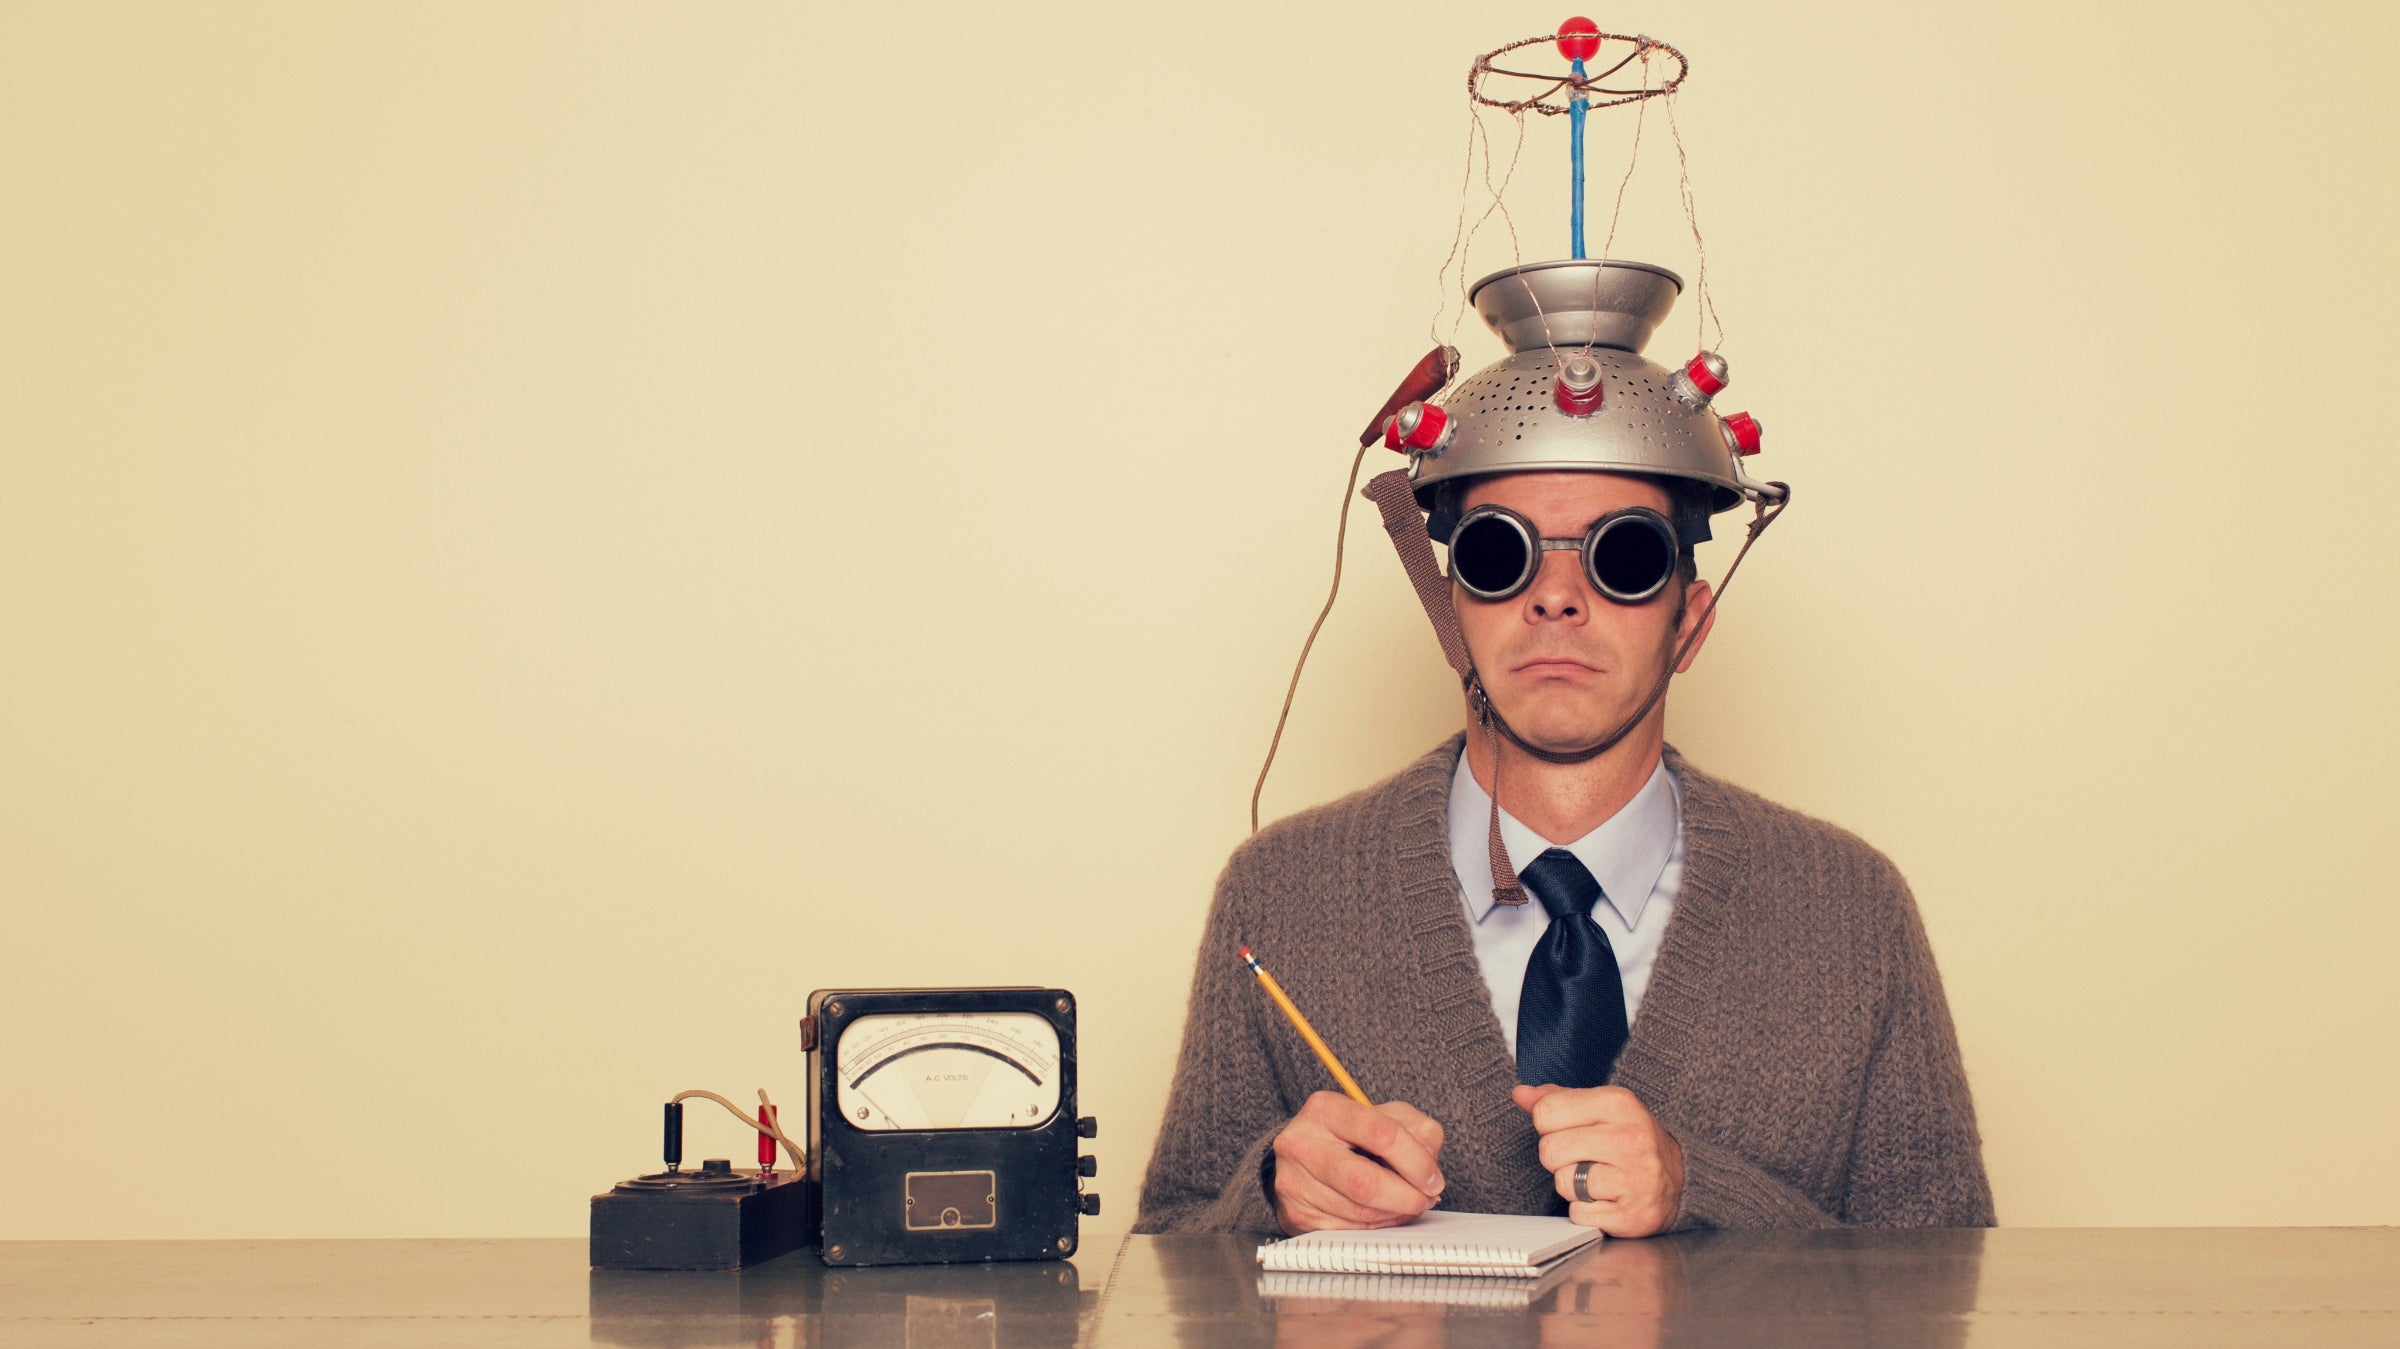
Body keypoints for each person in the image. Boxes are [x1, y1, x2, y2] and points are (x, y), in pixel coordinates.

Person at [1132, 263, 1995, 1237]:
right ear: (1450, 601)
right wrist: (1270, 1200)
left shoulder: (1848, 907)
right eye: (1503, 556)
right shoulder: (1283, 891)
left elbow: (1951, 1293)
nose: (1555, 597)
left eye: (1621, 557)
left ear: (1690, 622)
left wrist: (1701, 1193)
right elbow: (1165, 1263)